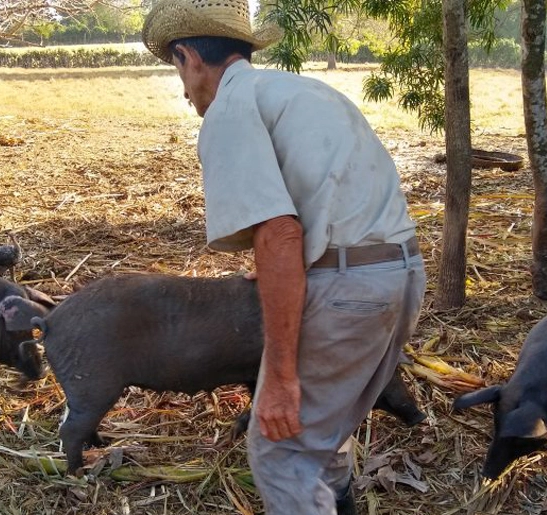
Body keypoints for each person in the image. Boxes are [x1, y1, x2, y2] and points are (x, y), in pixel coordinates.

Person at [142, 2, 426, 513]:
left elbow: (278, 234)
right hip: (400, 273)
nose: (184, 93)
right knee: (320, 426)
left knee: (278, 448)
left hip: (348, 292)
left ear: (188, 57)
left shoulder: (230, 109)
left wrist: (276, 377)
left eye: (177, 72)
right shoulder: (303, 90)